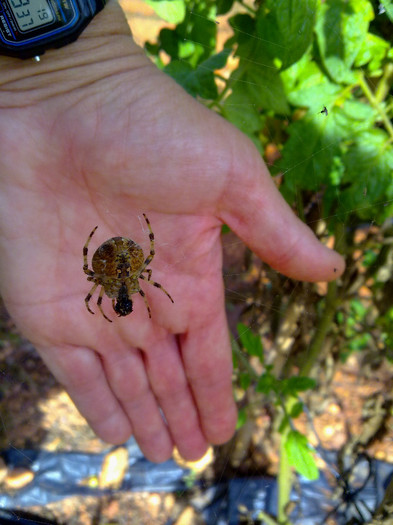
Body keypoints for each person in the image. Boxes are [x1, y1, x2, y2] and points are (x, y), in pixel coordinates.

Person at [0, 1, 344, 463]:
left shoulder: (109, 286)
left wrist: (61, 72)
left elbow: (99, 276)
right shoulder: (126, 285)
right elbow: (123, 274)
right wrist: (68, 70)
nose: (123, 302)